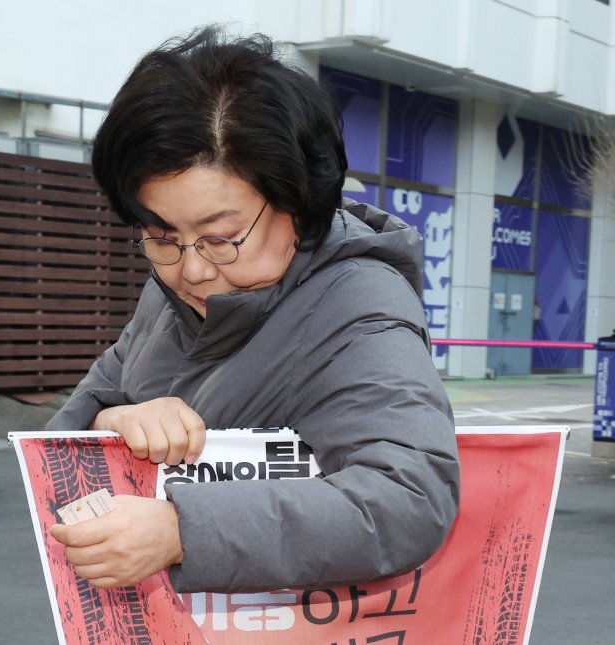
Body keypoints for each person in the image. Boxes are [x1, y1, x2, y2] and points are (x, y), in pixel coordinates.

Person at [48, 25, 460, 594]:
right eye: (160, 236)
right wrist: (113, 422)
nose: (192, 268)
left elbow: (407, 500)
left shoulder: (359, 304)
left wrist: (183, 530)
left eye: (221, 238)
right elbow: (80, 415)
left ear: (299, 205)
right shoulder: (168, 294)